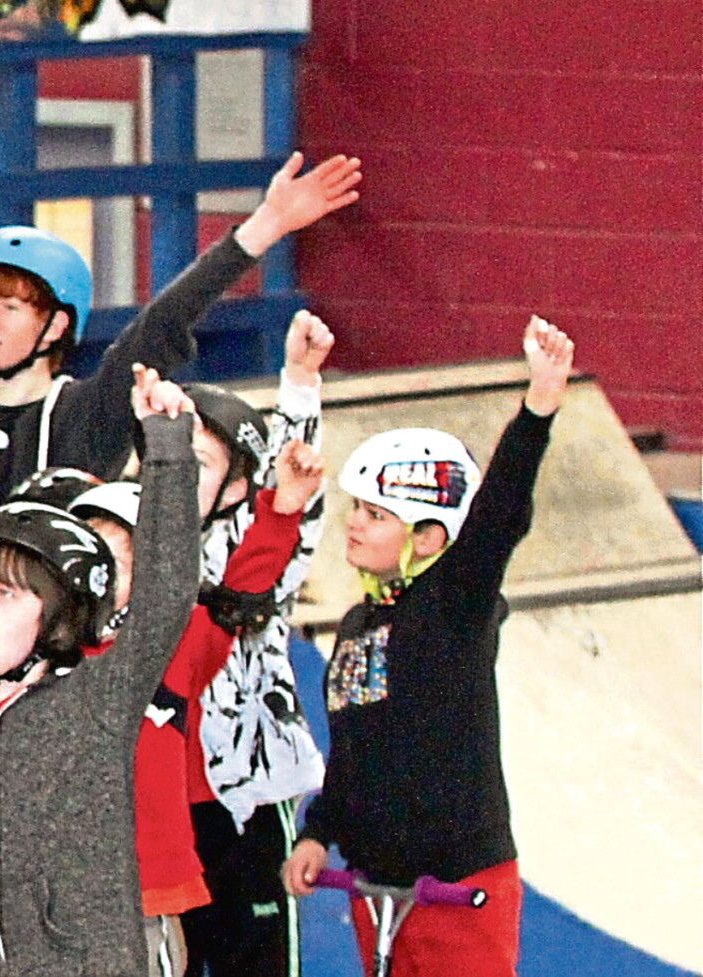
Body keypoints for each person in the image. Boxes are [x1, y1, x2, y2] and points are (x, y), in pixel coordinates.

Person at [0, 69, 361, 640]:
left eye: (8, 307)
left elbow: (167, 318)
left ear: (56, 326)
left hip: (33, 663)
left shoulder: (84, 415)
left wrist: (268, 224)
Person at [285, 318, 574, 977]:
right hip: (376, 890)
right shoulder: (356, 626)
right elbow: (355, 753)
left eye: (376, 514)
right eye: (356, 509)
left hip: (459, 887)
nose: (354, 524)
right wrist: (317, 833)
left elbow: (498, 515)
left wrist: (538, 406)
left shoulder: (454, 608)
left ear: (429, 537)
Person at [0, 366, 203, 977]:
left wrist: (168, 448)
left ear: (60, 616)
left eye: (7, 594)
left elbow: (168, 591)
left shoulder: (98, 701)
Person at [69, 395, 321, 977]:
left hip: (200, 836)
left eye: (124, 558)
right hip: (99, 877)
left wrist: (281, 510)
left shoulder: (179, 645)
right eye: (92, 556)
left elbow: (240, 594)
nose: (104, 573)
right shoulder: (52, 657)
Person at [186, 312, 336, 977]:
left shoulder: (253, 542)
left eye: (197, 463)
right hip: (158, 808)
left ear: (239, 485)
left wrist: (300, 382)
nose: (174, 472)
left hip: (244, 803)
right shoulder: (128, 542)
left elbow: (293, 494)